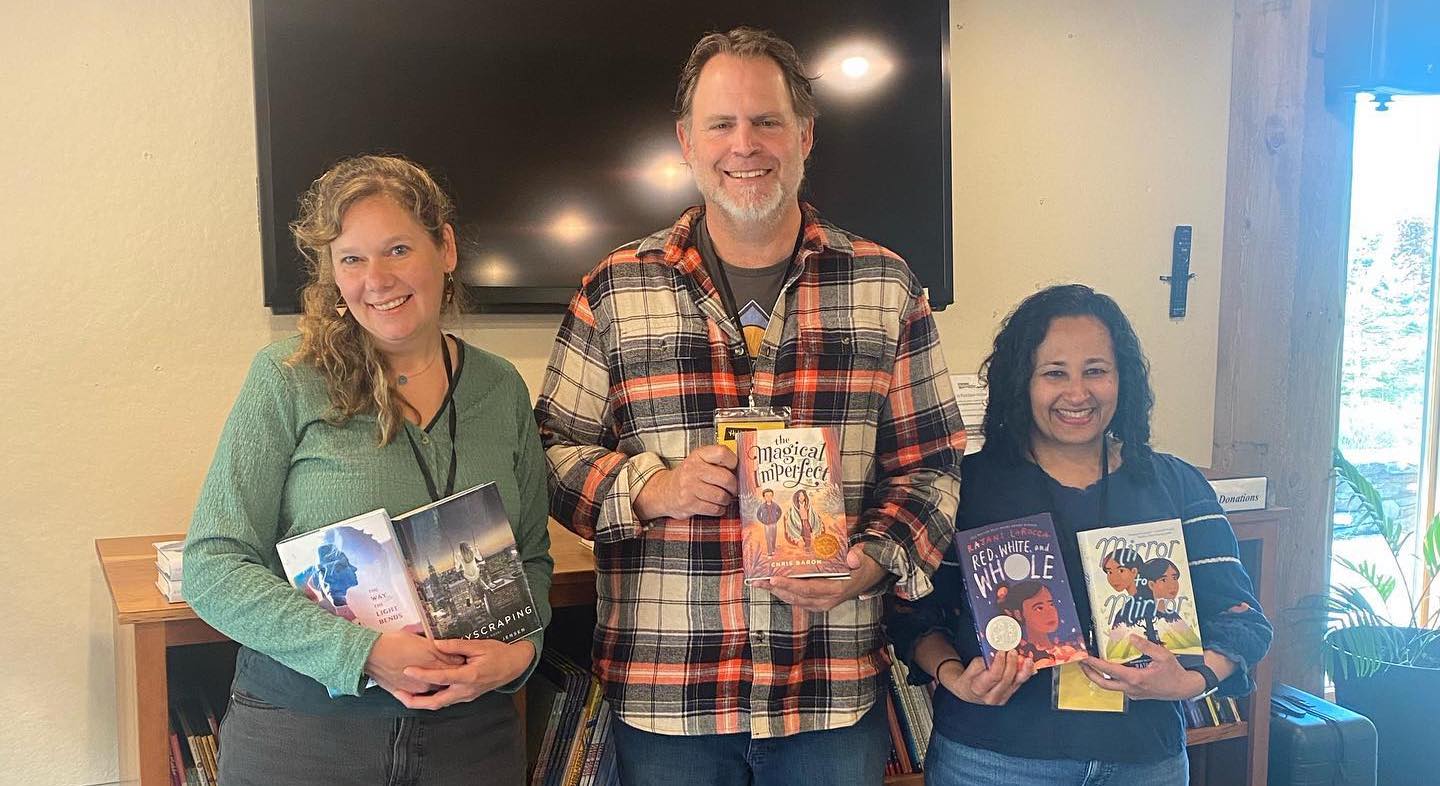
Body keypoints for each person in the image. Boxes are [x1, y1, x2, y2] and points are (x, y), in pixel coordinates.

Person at [534, 27, 966, 786]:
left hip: (826, 695)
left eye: (767, 121)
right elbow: (550, 452)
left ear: (804, 135)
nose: (746, 144)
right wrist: (649, 487)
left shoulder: (886, 285)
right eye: (721, 124)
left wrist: (868, 564)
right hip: (668, 697)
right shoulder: (613, 289)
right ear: (685, 141)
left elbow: (931, 466)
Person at [182, 154, 553, 786]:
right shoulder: (287, 380)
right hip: (305, 737)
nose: (376, 279)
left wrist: (520, 655)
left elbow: (535, 557)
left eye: (399, 248)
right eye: (352, 258)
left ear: (447, 249)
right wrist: (365, 653)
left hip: (471, 742)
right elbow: (212, 567)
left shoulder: (501, 388)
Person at [887, 284, 1272, 786]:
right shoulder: (966, 487)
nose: (1077, 393)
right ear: (1019, 383)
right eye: (1054, 373)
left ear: (1122, 379)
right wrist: (954, 676)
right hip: (992, 761)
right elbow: (912, 612)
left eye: (1096, 371)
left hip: (1143, 761)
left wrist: (1192, 678)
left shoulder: (1176, 484)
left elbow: (1241, 618)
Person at [995, 581, 1084, 668]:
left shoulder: (1070, 649)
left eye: (1051, 604)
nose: (1050, 612)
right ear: (1018, 614)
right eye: (1039, 608)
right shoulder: (1024, 659)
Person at [757, 488, 783, 555]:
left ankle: (773, 549)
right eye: (766, 496)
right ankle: (769, 552)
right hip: (766, 524)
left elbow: (780, 512)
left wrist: (776, 519)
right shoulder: (762, 506)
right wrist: (763, 520)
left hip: (774, 523)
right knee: (768, 538)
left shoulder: (775, 505)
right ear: (764, 497)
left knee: (773, 537)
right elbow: (758, 514)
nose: (768, 497)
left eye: (770, 495)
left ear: (772, 496)